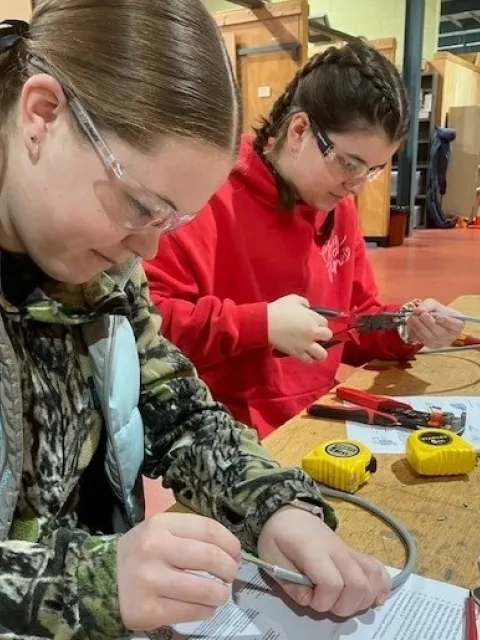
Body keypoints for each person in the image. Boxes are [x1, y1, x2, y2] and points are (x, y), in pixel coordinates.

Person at [0, 3, 395, 638]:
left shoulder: (102, 270)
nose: (151, 251)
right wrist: (90, 583)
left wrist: (274, 505)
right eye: (139, 205)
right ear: (42, 115)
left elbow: (174, 405)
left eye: (171, 220)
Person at [145, 41, 464, 439]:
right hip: (225, 440)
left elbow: (353, 320)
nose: (356, 185)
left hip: (316, 419)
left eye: (374, 170)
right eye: (348, 164)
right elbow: (152, 324)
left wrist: (403, 326)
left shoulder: (336, 204)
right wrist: (260, 325)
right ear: (299, 130)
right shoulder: (208, 193)